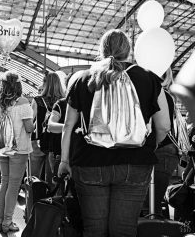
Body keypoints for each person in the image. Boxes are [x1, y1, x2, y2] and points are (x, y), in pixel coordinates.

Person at [58, 29, 170, 237]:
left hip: (89, 161)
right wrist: (147, 146)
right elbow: (163, 126)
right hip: (135, 163)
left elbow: (67, 125)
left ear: (101, 50)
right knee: (124, 230)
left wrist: (64, 161)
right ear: (129, 51)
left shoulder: (81, 79)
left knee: (94, 229)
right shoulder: (148, 79)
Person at [0, 71, 33, 233]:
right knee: (13, 185)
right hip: (19, 148)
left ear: (3, 85)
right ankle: (8, 222)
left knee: (4, 182)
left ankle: (0, 221)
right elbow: (29, 128)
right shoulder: (23, 102)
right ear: (18, 85)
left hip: (2, 147)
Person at [152, 68, 180, 215]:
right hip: (167, 151)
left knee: (151, 204)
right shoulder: (167, 95)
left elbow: (162, 128)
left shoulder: (159, 93)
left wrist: (152, 146)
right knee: (154, 203)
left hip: (161, 150)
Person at [31, 71, 65, 185]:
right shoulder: (63, 101)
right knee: (52, 178)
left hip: (38, 142)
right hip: (56, 143)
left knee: (34, 178)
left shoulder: (37, 100)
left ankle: (34, 200)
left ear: (45, 84)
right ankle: (50, 201)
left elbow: (31, 121)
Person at [47, 72, 77, 181]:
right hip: (61, 155)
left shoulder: (88, 102)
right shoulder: (61, 104)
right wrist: (71, 128)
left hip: (78, 156)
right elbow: (50, 125)